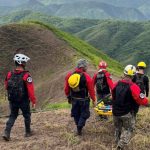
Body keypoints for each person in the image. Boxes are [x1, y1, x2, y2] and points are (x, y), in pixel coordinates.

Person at [112, 65, 149, 150]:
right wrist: (147, 103)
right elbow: (141, 100)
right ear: (133, 76)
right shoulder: (133, 87)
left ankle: (116, 141)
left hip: (115, 111)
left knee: (117, 127)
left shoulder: (116, 84)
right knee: (128, 129)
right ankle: (120, 146)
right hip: (126, 113)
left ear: (124, 73)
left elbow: (113, 96)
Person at [3, 53, 36, 141]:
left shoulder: (9, 74)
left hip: (12, 100)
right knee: (27, 115)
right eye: (25, 62)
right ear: (22, 63)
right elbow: (31, 90)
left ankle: (6, 132)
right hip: (23, 100)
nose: (25, 63)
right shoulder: (26, 75)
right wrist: (33, 101)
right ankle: (28, 132)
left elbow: (6, 86)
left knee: (13, 116)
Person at [64, 59, 97, 135]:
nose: (87, 68)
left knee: (76, 113)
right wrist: (94, 99)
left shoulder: (69, 75)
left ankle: (78, 128)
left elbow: (66, 88)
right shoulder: (86, 76)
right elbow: (91, 90)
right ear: (83, 67)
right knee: (84, 114)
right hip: (84, 100)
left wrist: (68, 96)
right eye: (86, 66)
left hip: (74, 99)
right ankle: (79, 127)